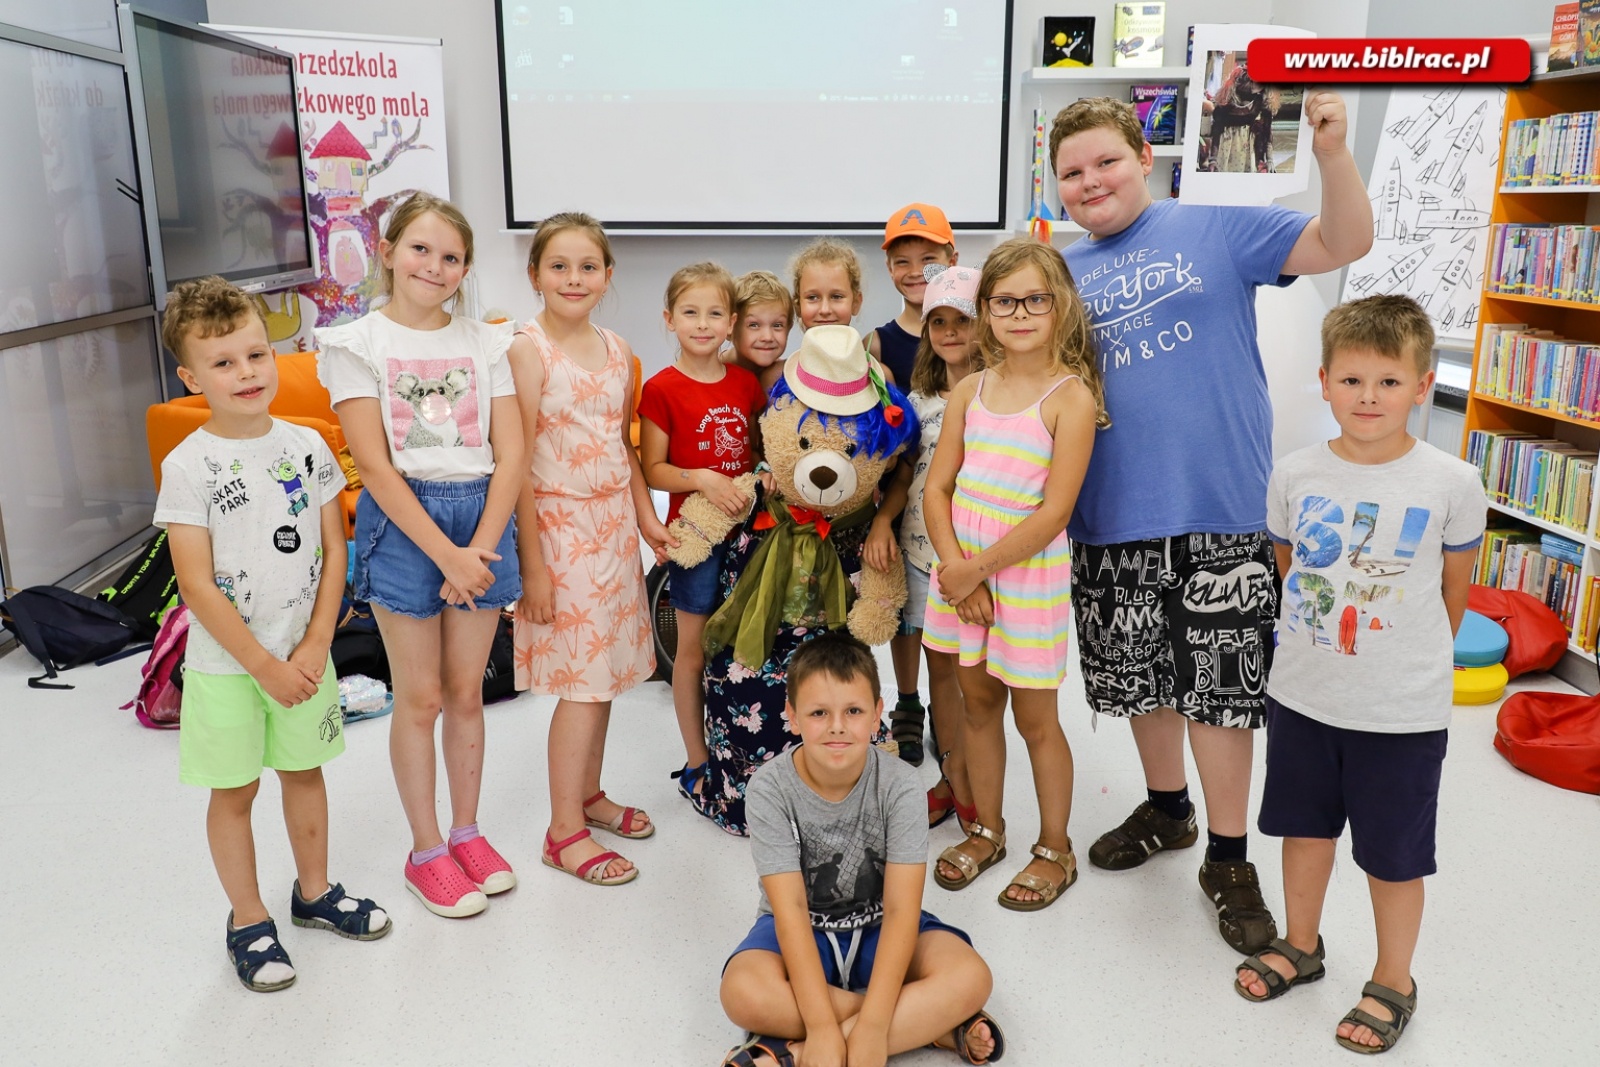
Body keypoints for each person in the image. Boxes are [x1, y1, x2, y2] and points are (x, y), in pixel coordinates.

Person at [1050, 94, 1373, 949]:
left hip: (1221, 509)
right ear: (1056, 190)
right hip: (1110, 515)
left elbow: (1344, 243)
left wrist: (1334, 156)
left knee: (1221, 693)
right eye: (1072, 173)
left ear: (1144, 158)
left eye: (1106, 162)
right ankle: (1167, 811)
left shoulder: (1219, 228)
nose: (1092, 182)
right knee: (1140, 681)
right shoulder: (1062, 274)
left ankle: (1229, 857)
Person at [1233, 294, 1485, 1055]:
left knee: (1392, 852)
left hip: (1401, 713)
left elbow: (1454, 593)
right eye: (1350, 380)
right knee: (1303, 830)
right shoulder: (1294, 472)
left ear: (1421, 384)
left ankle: (1393, 979)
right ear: (1323, 381)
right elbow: (1290, 572)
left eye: (1386, 381)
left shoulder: (1452, 480)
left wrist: (1399, 663)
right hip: (1304, 698)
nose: (1367, 397)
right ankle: (1301, 942)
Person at [156, 276, 390, 992]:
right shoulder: (187, 465)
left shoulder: (310, 444)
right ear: (191, 377)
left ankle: (313, 892)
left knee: (304, 772)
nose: (246, 373)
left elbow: (333, 549)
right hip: (232, 668)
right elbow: (195, 585)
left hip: (303, 655)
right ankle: (248, 917)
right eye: (222, 363)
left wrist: (318, 643)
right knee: (233, 791)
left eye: (255, 355)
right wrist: (262, 663)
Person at [316, 192, 525, 919]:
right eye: (420, 249)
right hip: (404, 523)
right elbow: (372, 465)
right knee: (422, 696)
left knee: (468, 692)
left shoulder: (486, 340)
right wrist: (448, 555)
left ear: (465, 267)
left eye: (451, 256)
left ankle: (467, 831)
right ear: (387, 250)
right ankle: (426, 848)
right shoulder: (355, 343)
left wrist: (484, 546)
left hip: (482, 521)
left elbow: (512, 451)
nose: (435, 266)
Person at [718, 633, 1004, 1067]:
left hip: (882, 925)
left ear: (876, 716)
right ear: (792, 716)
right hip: (801, 931)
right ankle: (936, 1027)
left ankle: (789, 1053)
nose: (837, 726)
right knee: (741, 992)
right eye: (819, 713)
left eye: (853, 711)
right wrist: (820, 1024)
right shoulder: (769, 789)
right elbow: (790, 910)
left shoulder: (901, 786)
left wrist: (870, 1030)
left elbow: (902, 911)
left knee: (971, 977)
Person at [923, 239, 1104, 912]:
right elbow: (936, 489)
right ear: (986, 311)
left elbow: (1056, 511)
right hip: (960, 578)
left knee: (1035, 719)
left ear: (1060, 308)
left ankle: (1055, 848)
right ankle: (987, 829)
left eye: (1035, 299)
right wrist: (953, 569)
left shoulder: (1070, 399)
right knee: (976, 707)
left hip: (1023, 581)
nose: (1021, 312)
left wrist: (979, 571)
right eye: (1005, 301)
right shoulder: (971, 388)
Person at [511, 211, 671, 885]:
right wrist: (533, 567)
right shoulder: (524, 349)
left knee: (604, 677)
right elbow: (515, 460)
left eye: (587, 267)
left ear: (607, 276)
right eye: (559, 266)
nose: (573, 278)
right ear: (535, 274)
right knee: (578, 685)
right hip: (557, 530)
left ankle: (589, 793)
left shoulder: (616, 348)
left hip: (611, 531)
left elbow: (622, 449)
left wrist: (646, 524)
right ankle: (562, 831)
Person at [639, 262, 767, 817]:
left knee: (745, 647)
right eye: (690, 312)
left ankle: (743, 749)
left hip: (752, 534)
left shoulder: (744, 383)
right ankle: (697, 760)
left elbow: (764, 451)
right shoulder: (661, 389)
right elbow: (653, 469)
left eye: (715, 313)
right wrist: (704, 480)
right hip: (694, 539)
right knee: (692, 652)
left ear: (731, 321)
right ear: (669, 319)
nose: (702, 323)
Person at [864, 263, 984, 832]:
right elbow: (906, 471)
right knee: (941, 671)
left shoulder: (998, 395)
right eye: (938, 321)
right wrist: (883, 522)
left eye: (962, 319)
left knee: (978, 678)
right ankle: (953, 775)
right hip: (921, 553)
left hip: (980, 555)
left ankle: (981, 780)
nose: (950, 331)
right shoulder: (918, 398)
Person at [868, 203, 962, 767]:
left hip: (954, 502)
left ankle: (948, 706)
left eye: (928, 260)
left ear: (952, 259)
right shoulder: (879, 343)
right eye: (901, 261)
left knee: (941, 623)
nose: (913, 271)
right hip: (900, 494)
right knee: (905, 610)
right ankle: (908, 703)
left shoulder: (972, 337)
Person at [724, 269, 793, 393]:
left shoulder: (788, 377)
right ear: (730, 326)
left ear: (789, 328)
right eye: (754, 325)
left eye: (777, 325)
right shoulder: (710, 373)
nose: (767, 337)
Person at [790, 237, 865, 332]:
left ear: (855, 303)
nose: (825, 310)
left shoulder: (870, 346)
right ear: (798, 306)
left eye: (836, 297)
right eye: (812, 297)